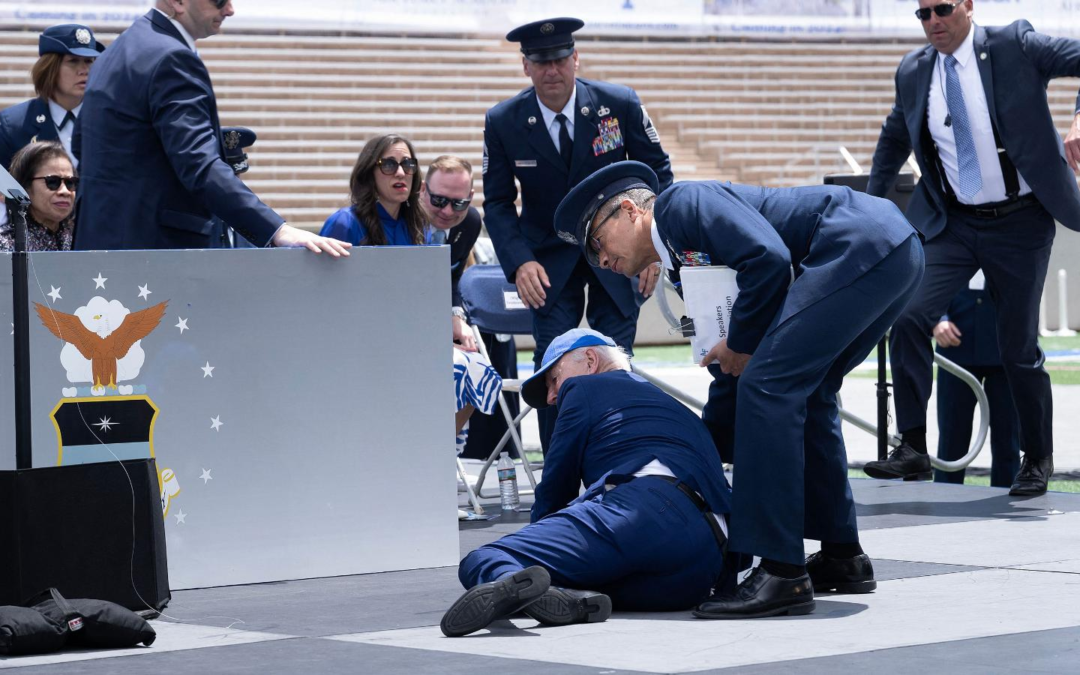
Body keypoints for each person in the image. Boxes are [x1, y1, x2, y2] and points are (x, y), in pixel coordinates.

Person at [553, 161, 923, 618]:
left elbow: (766, 260)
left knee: (770, 388)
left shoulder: (680, 206)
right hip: (889, 248)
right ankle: (842, 555)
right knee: (807, 391)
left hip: (858, 243)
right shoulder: (681, 262)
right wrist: (703, 449)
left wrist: (743, 347)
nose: (600, 261)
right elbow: (729, 364)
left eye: (596, 242)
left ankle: (782, 574)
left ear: (630, 211)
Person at [863, 0, 1080, 496]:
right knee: (910, 314)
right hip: (954, 221)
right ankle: (914, 447)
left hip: (1021, 222)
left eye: (942, 9)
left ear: (967, 6)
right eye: (923, 15)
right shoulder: (915, 70)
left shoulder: (1014, 44)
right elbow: (893, 138)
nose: (934, 22)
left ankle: (1037, 457)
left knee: (1017, 346)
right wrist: (866, 212)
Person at [442, 328, 732, 637]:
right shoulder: (678, 410)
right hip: (704, 561)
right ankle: (567, 601)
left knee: (485, 559)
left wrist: (537, 538)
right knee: (583, 579)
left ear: (590, 360)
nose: (553, 396)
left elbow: (556, 484)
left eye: (554, 379)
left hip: (642, 509)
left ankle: (521, 586)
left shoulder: (585, 387)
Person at [482, 17, 673, 452]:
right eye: (540, 61)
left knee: (615, 362)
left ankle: (620, 460)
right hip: (547, 262)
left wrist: (654, 248)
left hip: (623, 254)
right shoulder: (503, 121)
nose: (552, 70)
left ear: (575, 58)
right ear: (525, 66)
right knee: (553, 366)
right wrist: (519, 261)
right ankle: (559, 473)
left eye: (560, 59)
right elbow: (495, 203)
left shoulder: (618, 104)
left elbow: (659, 175)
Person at [73, 1, 347, 255]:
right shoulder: (171, 57)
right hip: (154, 254)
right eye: (218, 0)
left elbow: (79, 143)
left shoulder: (116, 51)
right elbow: (199, 164)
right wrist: (277, 229)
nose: (229, 9)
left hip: (100, 243)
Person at [418, 154, 521, 459]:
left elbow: (452, 276)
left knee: (480, 371)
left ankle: (439, 455)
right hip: (399, 327)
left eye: (458, 203)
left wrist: (455, 317)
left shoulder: (471, 222)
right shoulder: (403, 219)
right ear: (422, 190)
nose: (448, 211)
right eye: (438, 200)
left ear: (471, 198)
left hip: (435, 320)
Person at [933, 278, 1021, 487]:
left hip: (1006, 348)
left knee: (1008, 440)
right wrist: (936, 318)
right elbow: (933, 278)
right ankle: (944, 500)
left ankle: (1005, 500)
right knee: (951, 440)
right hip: (955, 350)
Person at [0, 24, 103, 170]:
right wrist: (23, 194)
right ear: (50, 68)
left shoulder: (108, 119)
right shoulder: (15, 125)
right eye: (73, 61)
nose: (84, 70)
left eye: (88, 61)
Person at [320, 134, 427, 247]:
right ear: (369, 173)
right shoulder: (345, 223)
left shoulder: (418, 226)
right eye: (389, 164)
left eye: (407, 163)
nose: (400, 173)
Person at [1, 141, 77, 251]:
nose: (65, 191)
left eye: (70, 182)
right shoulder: (6, 245)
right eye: (52, 182)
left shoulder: (85, 240)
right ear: (26, 186)